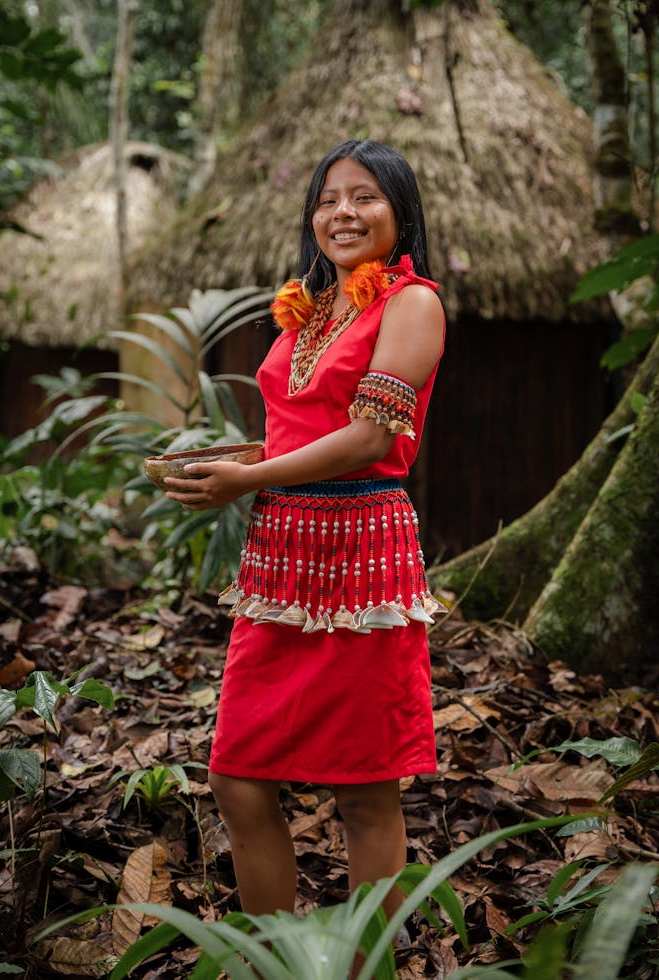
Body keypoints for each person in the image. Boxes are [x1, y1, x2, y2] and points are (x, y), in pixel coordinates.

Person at [164, 139, 446, 921]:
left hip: (362, 549)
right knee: (238, 775)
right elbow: (300, 430)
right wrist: (237, 461)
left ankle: (364, 969)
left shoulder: (413, 303)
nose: (342, 213)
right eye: (328, 198)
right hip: (283, 553)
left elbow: (368, 438)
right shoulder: (315, 307)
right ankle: (275, 961)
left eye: (364, 197)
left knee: (363, 788)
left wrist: (246, 479)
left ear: (400, 212)